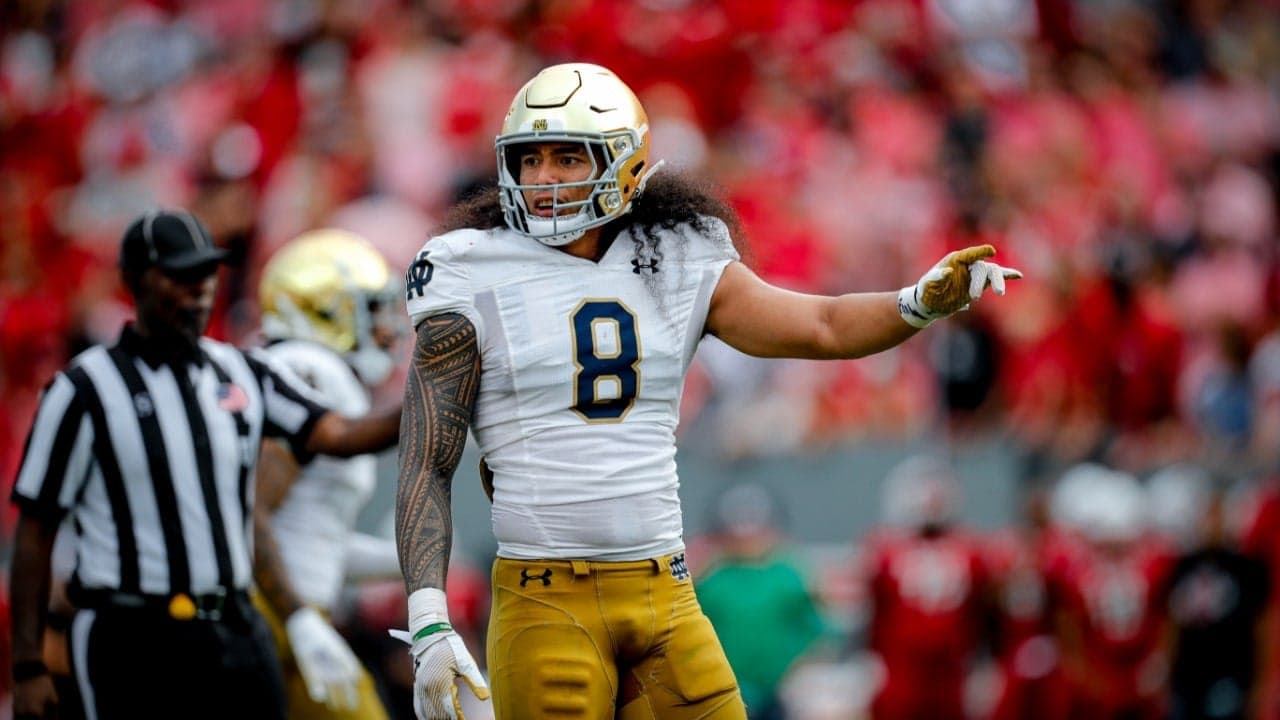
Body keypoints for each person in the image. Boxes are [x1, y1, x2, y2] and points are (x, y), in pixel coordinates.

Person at [393, 62, 1021, 720]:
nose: (544, 178)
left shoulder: (676, 254)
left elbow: (822, 326)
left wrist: (917, 302)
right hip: (545, 596)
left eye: (567, 158)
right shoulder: (469, 267)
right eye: (531, 159)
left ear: (624, 164)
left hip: (665, 591)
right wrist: (430, 620)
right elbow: (426, 457)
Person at [8, 209, 402, 720]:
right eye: (179, 275)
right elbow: (35, 529)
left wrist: (432, 395)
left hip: (231, 624)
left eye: (206, 274)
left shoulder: (240, 370)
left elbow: (338, 434)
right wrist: (27, 665)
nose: (198, 289)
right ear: (135, 280)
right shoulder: (84, 389)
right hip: (132, 632)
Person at [251, 229, 406, 719]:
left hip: (283, 605)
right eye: (372, 310)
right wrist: (297, 616)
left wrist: (414, 561)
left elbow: (315, 543)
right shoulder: (308, 367)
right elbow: (248, 511)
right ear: (326, 311)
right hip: (273, 609)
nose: (388, 329)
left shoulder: (309, 371)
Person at [862, 455, 991, 720]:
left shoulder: (971, 550)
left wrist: (983, 661)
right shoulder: (884, 550)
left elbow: (982, 613)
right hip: (901, 670)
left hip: (951, 671)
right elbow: (874, 612)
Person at [695, 483, 831, 720]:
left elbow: (816, 629)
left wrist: (797, 671)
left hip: (777, 692)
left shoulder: (788, 575)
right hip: (723, 691)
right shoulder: (712, 579)